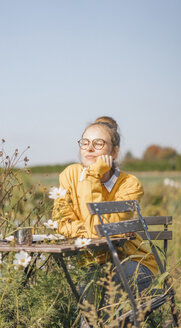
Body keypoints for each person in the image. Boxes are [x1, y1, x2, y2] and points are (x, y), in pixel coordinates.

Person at [52, 116, 158, 324]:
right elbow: (61, 223)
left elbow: (100, 230)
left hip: (133, 264)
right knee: (89, 281)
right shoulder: (69, 175)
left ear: (114, 152)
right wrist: (88, 229)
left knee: (97, 282)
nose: (89, 148)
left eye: (98, 144)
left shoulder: (130, 184)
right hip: (91, 263)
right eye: (85, 142)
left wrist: (92, 176)